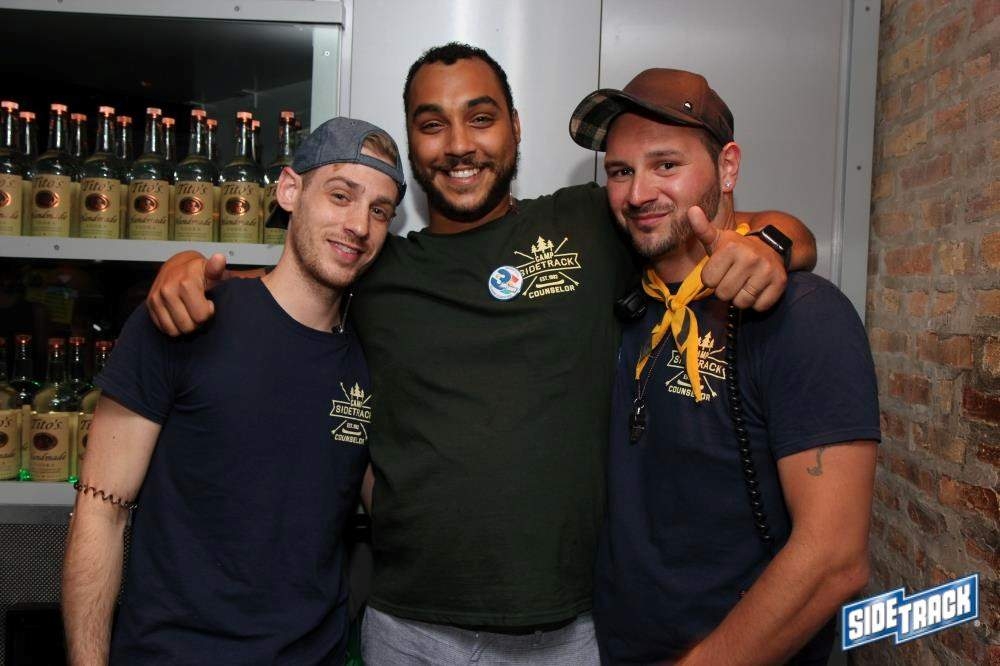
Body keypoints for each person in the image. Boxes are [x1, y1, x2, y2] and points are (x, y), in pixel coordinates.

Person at [145, 44, 817, 664]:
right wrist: (188, 268)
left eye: (481, 118)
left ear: (515, 128)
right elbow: (284, 286)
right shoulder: (377, 267)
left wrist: (775, 247)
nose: (459, 145)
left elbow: (749, 229)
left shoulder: (589, 222)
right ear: (412, 142)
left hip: (567, 633)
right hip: (407, 630)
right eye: (432, 124)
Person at [61, 117, 407, 665]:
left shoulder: (372, 356)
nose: (359, 225)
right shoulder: (186, 316)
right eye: (341, 196)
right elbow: (101, 513)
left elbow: (396, 511)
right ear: (290, 190)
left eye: (380, 211)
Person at [567, 68, 880, 665]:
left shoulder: (803, 315)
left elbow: (835, 559)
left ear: (728, 168)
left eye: (666, 164)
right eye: (620, 171)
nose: (638, 193)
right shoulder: (628, 300)